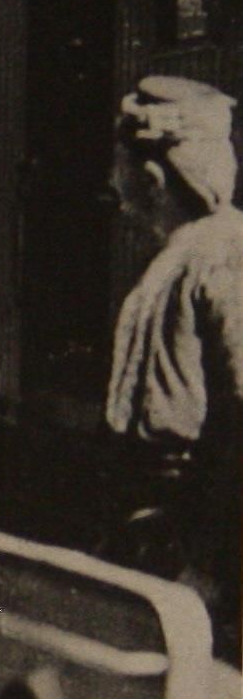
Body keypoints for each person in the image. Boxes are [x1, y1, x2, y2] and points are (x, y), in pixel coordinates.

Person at [102, 75, 241, 650]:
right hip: (164, 532)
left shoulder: (221, 258)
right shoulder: (187, 254)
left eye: (120, 167)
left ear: (154, 179)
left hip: (200, 546)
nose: (114, 184)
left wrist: (210, 566)